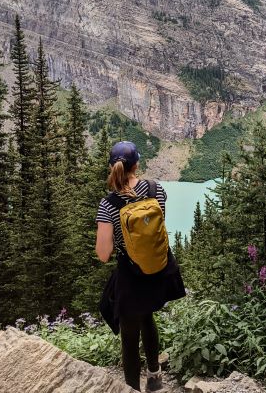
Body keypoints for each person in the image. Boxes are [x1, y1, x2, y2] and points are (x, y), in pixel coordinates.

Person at [95, 140, 186, 392]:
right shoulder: (156, 189)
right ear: (138, 164)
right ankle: (155, 376)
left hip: (132, 274)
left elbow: (103, 254)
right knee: (147, 316)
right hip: (159, 267)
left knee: (129, 335)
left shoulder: (109, 204)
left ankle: (131, 388)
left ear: (112, 168)